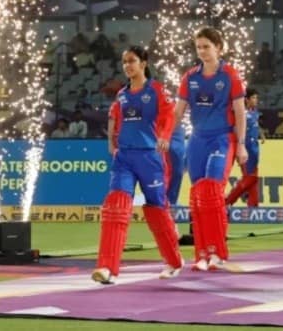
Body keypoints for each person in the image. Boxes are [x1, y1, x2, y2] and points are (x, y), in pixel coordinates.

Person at [91, 46, 184, 284]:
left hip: (150, 158)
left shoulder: (156, 90)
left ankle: (173, 261)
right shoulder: (122, 94)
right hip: (124, 158)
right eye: (124, 62)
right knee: (116, 206)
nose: (127, 66)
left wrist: (164, 136)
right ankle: (107, 268)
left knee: (156, 209)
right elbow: (115, 116)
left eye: (131, 61)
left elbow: (169, 115)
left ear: (143, 63)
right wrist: (112, 141)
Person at [174, 27, 247, 271]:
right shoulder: (190, 78)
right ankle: (202, 254)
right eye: (199, 47)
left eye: (207, 46)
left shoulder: (231, 76)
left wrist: (242, 145)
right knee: (197, 197)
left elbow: (239, 112)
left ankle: (218, 252)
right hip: (197, 140)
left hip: (222, 139)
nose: (203, 51)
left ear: (219, 47)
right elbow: (178, 111)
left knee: (213, 193)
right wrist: (164, 136)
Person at [226, 89, 263, 207]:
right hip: (245, 148)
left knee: (252, 176)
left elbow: (255, 124)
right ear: (246, 100)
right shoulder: (241, 113)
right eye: (253, 98)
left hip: (254, 147)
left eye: (256, 98)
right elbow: (236, 129)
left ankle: (253, 204)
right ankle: (228, 200)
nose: (256, 100)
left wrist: (261, 134)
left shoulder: (254, 112)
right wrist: (239, 146)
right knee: (251, 177)